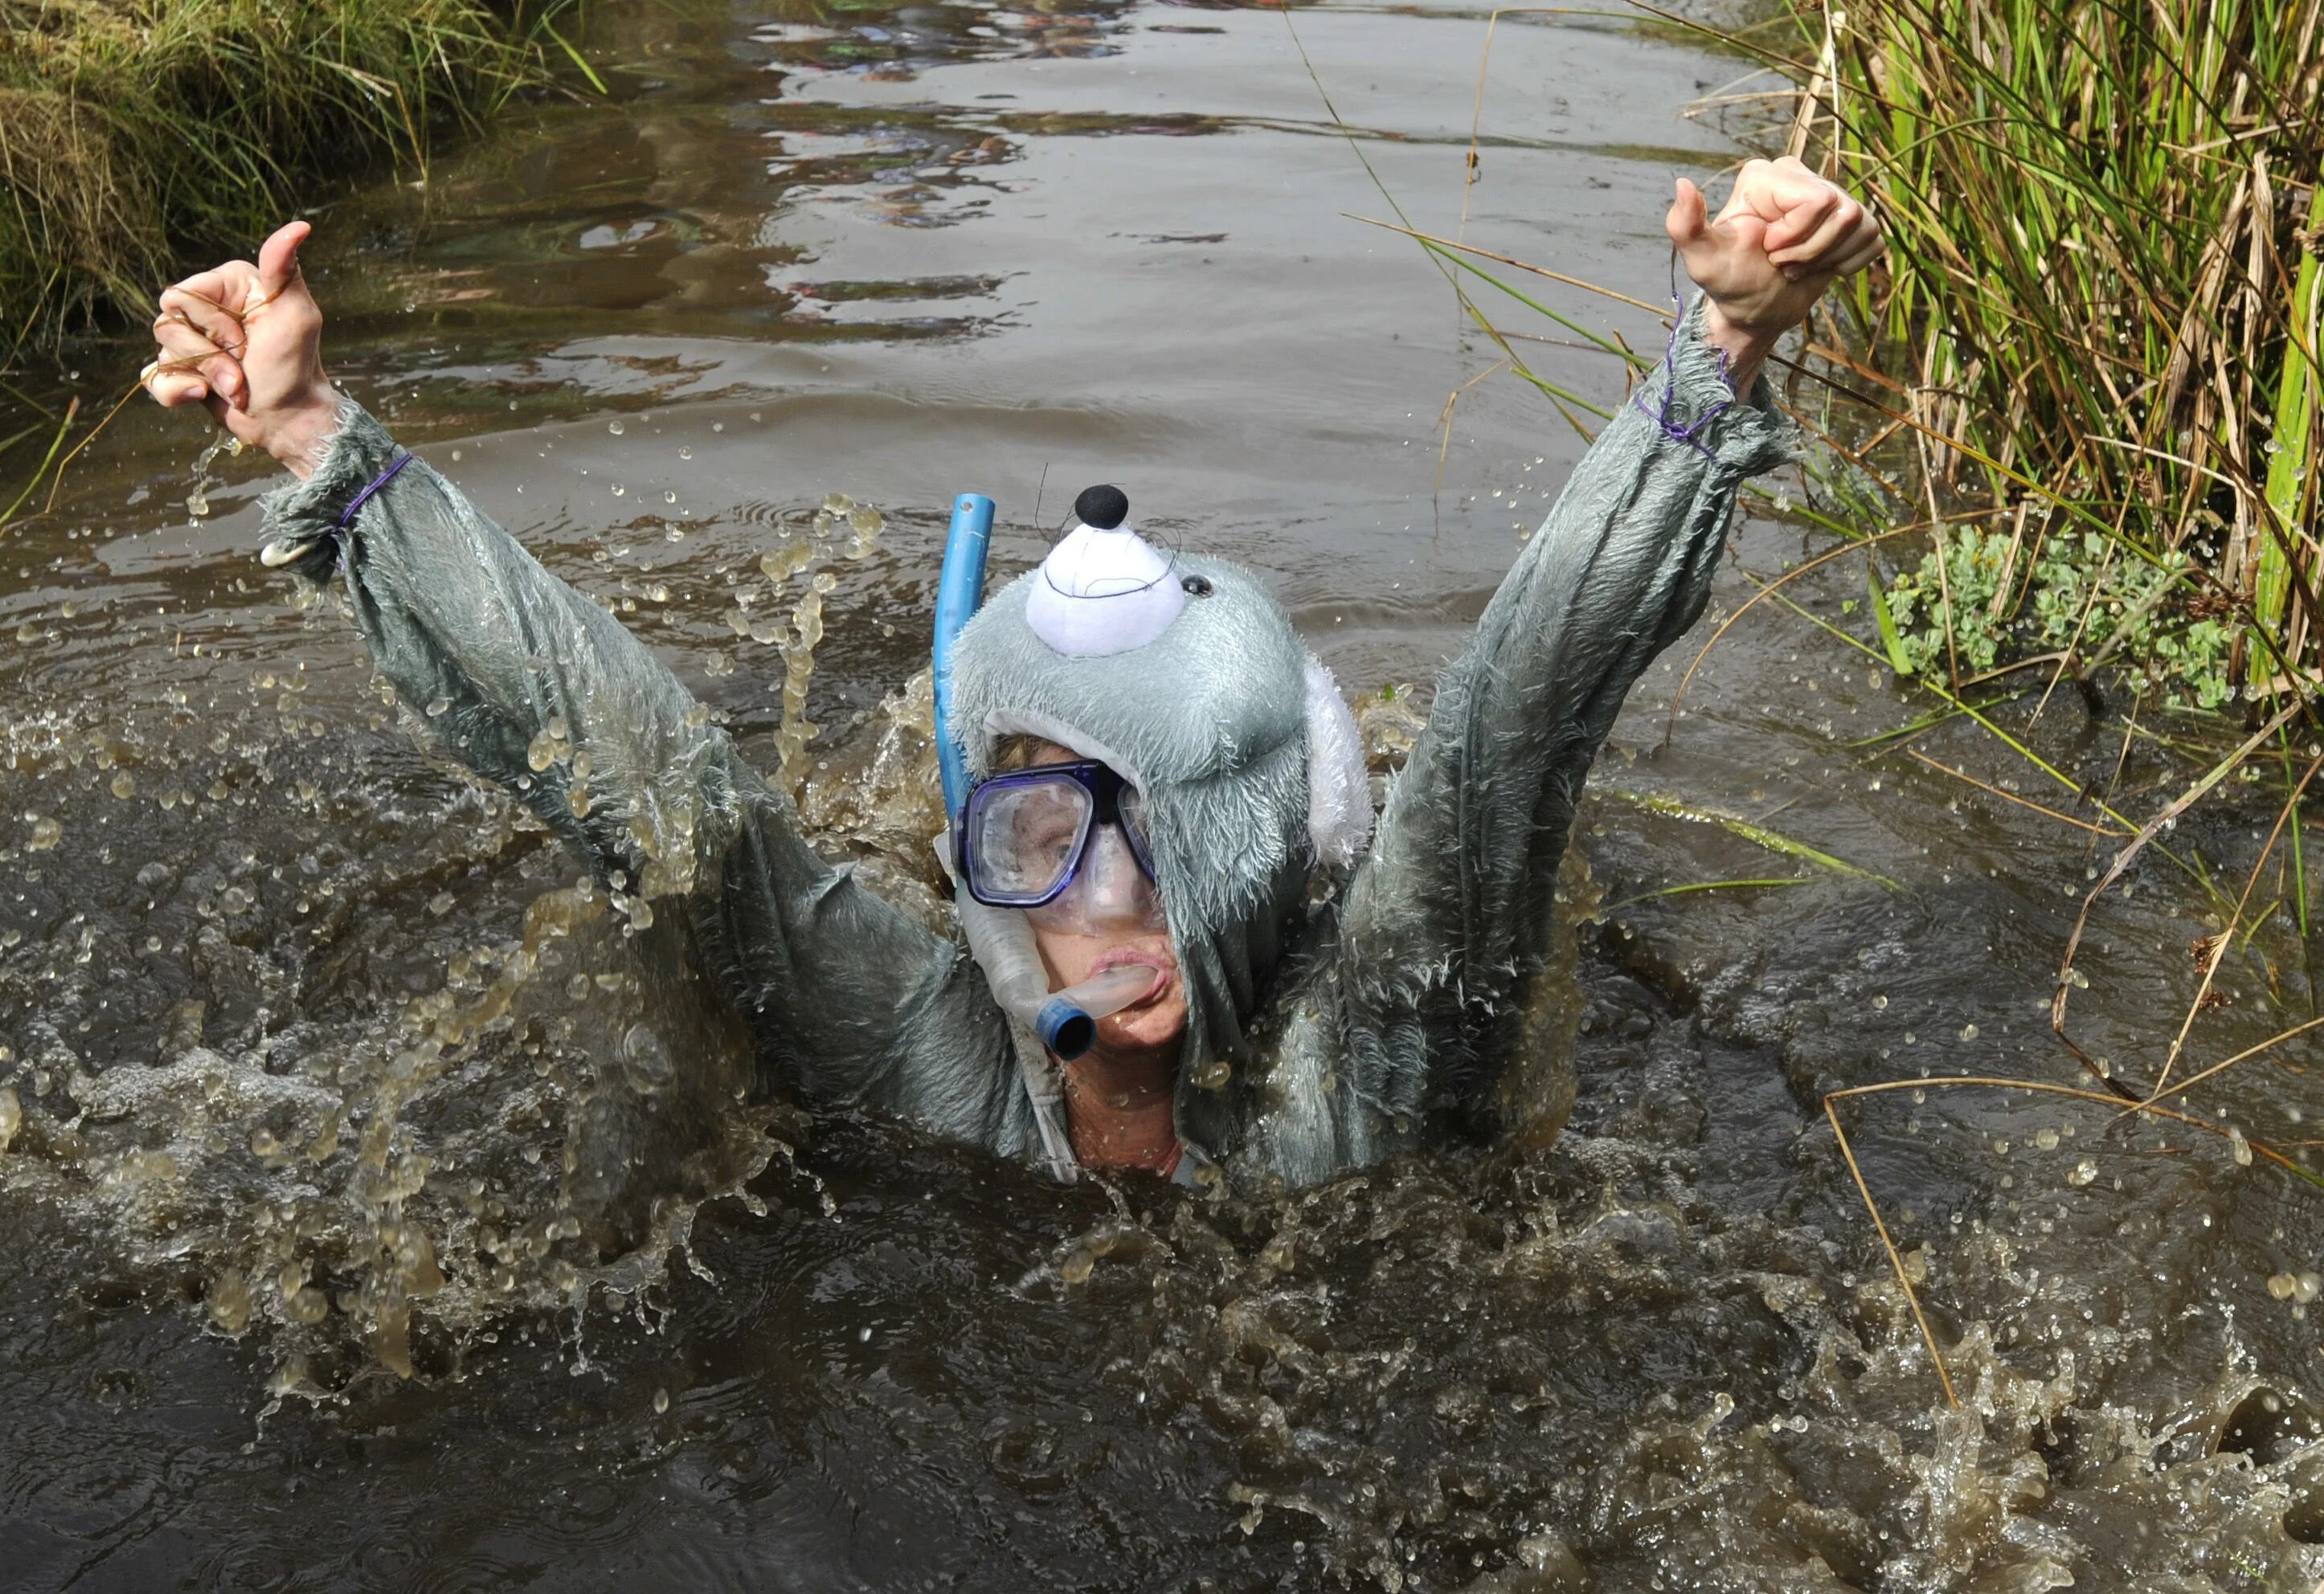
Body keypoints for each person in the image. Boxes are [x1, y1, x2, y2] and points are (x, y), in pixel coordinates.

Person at [140, 158, 1883, 1189]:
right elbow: (635, 768)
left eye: (1154, 832)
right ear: (980, 863)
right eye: (1044, 833)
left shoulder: (1367, 1066)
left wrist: (1720, 347)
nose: (1111, 905)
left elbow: (1517, 721)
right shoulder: (924, 1053)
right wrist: (320, 446)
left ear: (1264, 842)